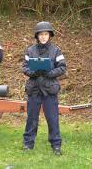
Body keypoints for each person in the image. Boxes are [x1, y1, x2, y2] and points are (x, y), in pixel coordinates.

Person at [22, 21, 66, 156]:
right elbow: (24, 67)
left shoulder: (56, 50)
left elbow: (63, 67)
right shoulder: (30, 50)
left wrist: (50, 73)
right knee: (31, 118)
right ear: (37, 36)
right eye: (41, 34)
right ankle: (28, 143)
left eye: (46, 34)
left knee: (53, 119)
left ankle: (56, 145)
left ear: (49, 35)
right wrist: (33, 72)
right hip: (34, 89)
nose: (43, 37)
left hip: (49, 89)